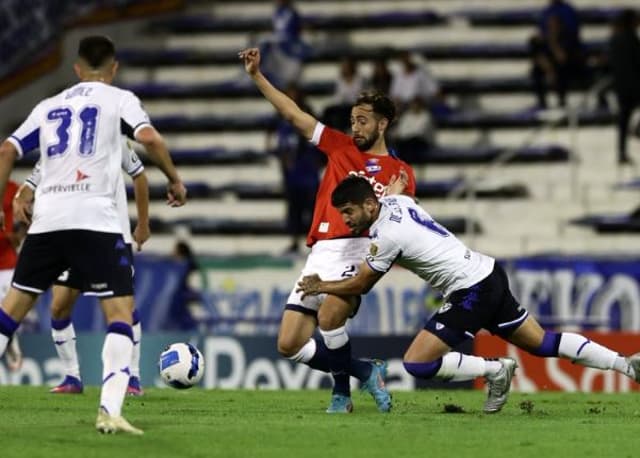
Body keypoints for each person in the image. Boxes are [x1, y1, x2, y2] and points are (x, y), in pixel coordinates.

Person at [297, 176, 640, 413]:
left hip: (470, 289)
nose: (345, 220)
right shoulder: (396, 201)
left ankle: (495, 370)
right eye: (341, 214)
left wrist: (320, 285)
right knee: (542, 343)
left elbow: (360, 285)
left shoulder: (384, 236)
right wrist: (392, 190)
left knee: (417, 363)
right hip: (489, 273)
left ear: (370, 206)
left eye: (349, 212)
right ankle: (626, 364)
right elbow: (397, 193)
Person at [0, 35, 186, 434]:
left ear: (76, 69)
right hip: (96, 222)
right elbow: (149, 138)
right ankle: (109, 410)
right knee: (119, 315)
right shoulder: (118, 100)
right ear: (114, 68)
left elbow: (7, 151)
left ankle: (90, 390)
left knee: (9, 313)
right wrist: (174, 178)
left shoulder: (48, 107)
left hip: (48, 223)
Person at [239, 47, 417, 414]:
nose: (356, 127)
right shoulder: (339, 147)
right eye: (353, 120)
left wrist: (395, 202)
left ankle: (341, 396)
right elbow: (293, 114)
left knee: (329, 316)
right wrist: (257, 76)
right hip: (321, 250)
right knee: (289, 344)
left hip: (359, 250)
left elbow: (403, 227)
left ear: (382, 124)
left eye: (364, 120)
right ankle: (363, 370)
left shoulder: (400, 174)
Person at [13, 139, 150, 395]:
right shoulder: (61, 143)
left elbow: (139, 175)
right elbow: (37, 176)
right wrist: (26, 192)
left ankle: (133, 378)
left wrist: (143, 224)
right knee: (59, 305)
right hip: (70, 234)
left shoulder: (113, 137)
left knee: (123, 307)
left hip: (111, 235)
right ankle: (72, 377)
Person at [271, 85, 323, 253]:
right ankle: (294, 241)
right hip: (292, 177)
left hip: (308, 174)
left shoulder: (309, 119)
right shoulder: (283, 123)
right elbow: (282, 148)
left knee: (313, 210)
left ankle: (316, 242)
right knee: (294, 211)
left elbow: (319, 145)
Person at [529, 0, 584, 109]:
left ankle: (562, 101)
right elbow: (539, 49)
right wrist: (548, 68)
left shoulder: (568, 13)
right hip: (551, 59)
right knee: (536, 70)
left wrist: (555, 45)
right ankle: (542, 102)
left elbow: (564, 54)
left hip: (568, 57)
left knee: (561, 68)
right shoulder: (546, 12)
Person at [0, 180, 26, 371]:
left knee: (6, 310)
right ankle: (11, 342)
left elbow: (25, 215)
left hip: (7, 262)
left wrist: (19, 234)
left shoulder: (13, 187)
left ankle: (11, 343)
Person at [609, 9, 640, 165]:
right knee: (626, 119)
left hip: (620, 86)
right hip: (634, 85)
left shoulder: (614, 39)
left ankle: (621, 153)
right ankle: (637, 131)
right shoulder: (632, 39)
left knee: (624, 120)